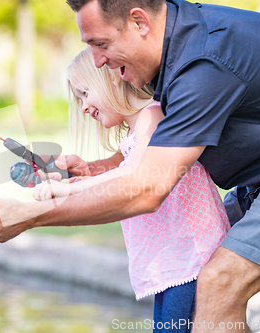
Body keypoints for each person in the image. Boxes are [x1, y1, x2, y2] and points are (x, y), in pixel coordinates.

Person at [0, 0, 260, 331]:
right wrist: (92, 170)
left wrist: (32, 215)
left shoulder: (204, 61)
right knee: (202, 272)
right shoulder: (175, 55)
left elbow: (146, 190)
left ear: (139, 22)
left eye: (100, 44)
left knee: (220, 280)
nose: (98, 61)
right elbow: (153, 153)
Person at [33, 46, 229, 332]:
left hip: (191, 257)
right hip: (174, 262)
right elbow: (123, 174)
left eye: (85, 93)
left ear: (111, 78)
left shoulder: (151, 115)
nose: (85, 107)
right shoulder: (134, 131)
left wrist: (68, 191)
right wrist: (81, 178)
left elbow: (132, 173)